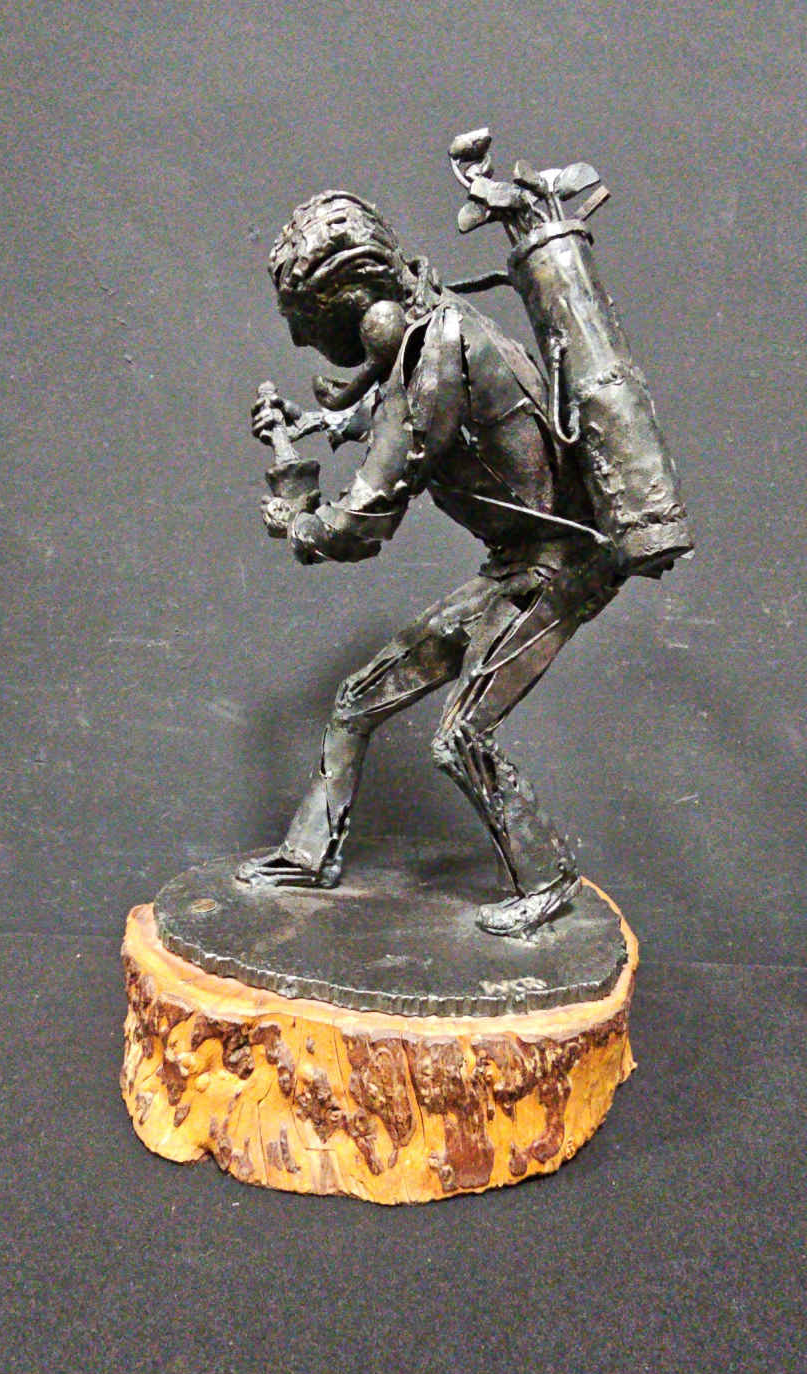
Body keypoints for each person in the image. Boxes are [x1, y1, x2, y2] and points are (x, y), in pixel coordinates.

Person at [236, 190, 635, 936]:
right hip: (517, 566)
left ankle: (546, 879)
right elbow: (397, 409)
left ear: (348, 301)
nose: (298, 340)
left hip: (557, 570)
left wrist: (299, 522)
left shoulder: (435, 352)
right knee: (358, 699)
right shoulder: (434, 326)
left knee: (460, 735)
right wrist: (319, 421)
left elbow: (364, 520)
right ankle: (307, 854)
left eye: (306, 321)